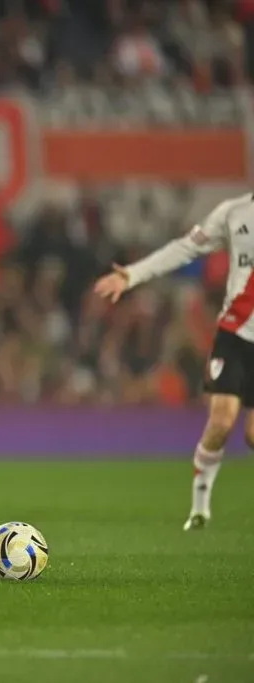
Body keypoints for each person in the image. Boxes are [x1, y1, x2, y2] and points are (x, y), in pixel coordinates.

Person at [95, 193, 254, 531]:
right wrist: (132, 275)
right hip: (235, 337)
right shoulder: (234, 212)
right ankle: (200, 508)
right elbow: (185, 248)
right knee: (222, 421)